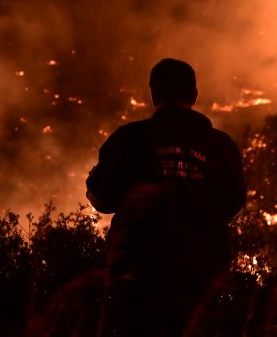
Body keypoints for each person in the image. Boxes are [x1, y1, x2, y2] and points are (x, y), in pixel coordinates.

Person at [86, 58, 246, 336]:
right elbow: (233, 205)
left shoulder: (129, 139)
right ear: (194, 95)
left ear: (153, 93)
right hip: (203, 275)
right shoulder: (221, 145)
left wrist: (93, 180)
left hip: (138, 275)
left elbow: (103, 199)